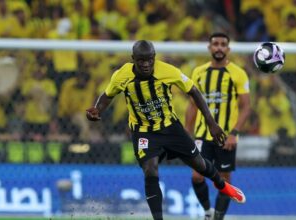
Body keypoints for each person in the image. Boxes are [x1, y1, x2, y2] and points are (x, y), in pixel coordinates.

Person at [85, 40, 246, 220]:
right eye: (141, 60)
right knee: (150, 170)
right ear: (133, 59)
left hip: (170, 127)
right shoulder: (121, 75)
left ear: (154, 58)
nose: (146, 65)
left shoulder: (168, 71)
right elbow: (108, 95)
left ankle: (222, 185)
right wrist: (97, 109)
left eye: (149, 60)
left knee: (200, 165)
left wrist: (211, 123)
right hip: (143, 131)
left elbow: (193, 91)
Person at [185, 33, 251, 220]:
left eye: (223, 44)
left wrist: (234, 134)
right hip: (201, 135)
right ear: (209, 48)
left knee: (224, 182)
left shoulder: (237, 73)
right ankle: (207, 212)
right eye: (215, 44)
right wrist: (186, 133)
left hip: (226, 138)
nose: (219, 47)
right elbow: (192, 105)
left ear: (228, 49)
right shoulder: (198, 72)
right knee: (197, 176)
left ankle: (218, 217)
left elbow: (247, 107)